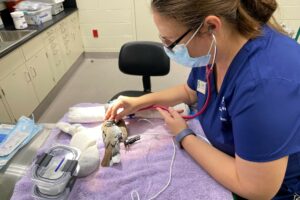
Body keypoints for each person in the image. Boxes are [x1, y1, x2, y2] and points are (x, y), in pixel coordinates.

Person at [105, 0, 300, 199]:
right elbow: (191, 91)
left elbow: (255, 188)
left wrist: (184, 135)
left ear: (211, 26)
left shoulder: (264, 84)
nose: (168, 49)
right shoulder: (218, 46)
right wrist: (139, 102)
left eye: (171, 41)